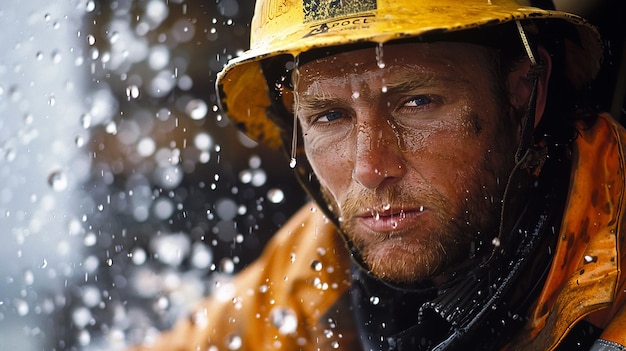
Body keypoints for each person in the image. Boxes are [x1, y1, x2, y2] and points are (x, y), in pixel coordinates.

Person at [130, 0, 626, 350]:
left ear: (524, 92)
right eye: (329, 117)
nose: (371, 170)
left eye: (417, 102)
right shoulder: (321, 261)